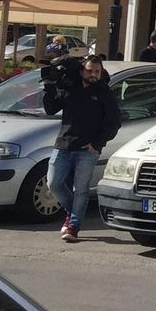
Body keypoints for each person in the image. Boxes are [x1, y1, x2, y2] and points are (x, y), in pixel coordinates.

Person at [42, 55, 121, 242]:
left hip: (88, 150)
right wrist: (49, 85)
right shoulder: (71, 87)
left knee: (81, 189)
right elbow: (51, 109)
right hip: (63, 144)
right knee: (53, 183)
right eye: (89, 71)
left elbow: (114, 122)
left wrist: (97, 144)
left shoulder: (104, 93)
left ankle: (74, 226)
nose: (93, 74)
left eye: (97, 71)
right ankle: (72, 211)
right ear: (81, 71)